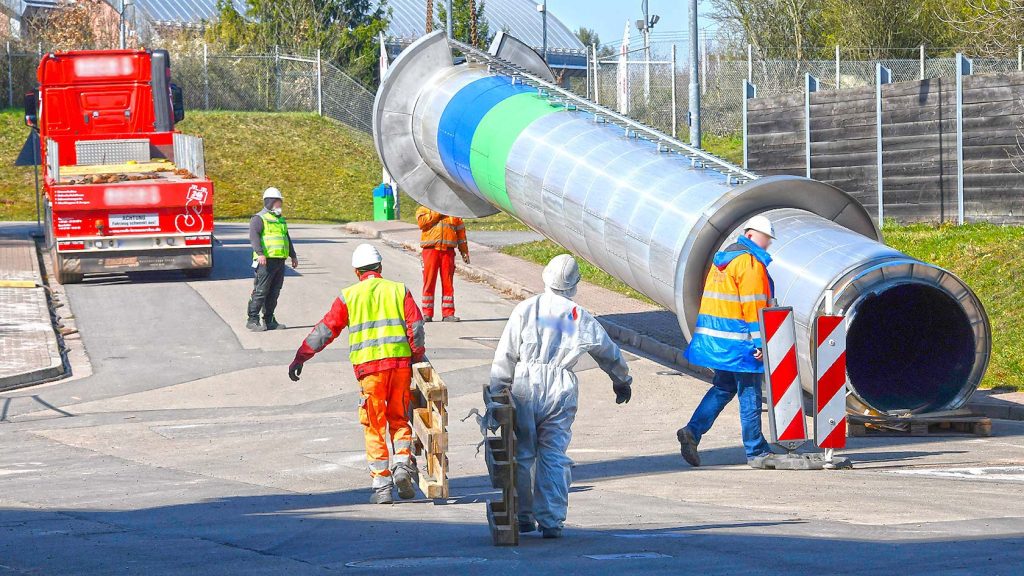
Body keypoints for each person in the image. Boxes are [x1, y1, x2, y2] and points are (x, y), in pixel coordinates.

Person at [488, 254, 632, 539]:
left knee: (523, 452)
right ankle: (551, 520)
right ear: (575, 284)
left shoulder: (526, 309)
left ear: (545, 277)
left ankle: (523, 515)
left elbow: (505, 354)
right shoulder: (578, 315)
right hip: (560, 388)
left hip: (525, 384)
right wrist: (621, 380)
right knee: (553, 453)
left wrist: (497, 392)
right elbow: (607, 350)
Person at [287, 244, 426, 504]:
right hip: (399, 367)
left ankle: (382, 486)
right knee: (399, 418)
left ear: (356, 271)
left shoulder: (349, 296)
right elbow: (416, 327)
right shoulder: (399, 290)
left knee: (374, 425)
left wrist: (302, 355)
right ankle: (402, 466)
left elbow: (326, 329)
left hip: (369, 373)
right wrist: (416, 356)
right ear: (380, 267)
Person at [677, 215, 777, 469]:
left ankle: (692, 431)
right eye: (766, 238)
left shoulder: (724, 260)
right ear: (751, 235)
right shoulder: (749, 263)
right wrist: (760, 343)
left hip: (721, 342)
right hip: (741, 343)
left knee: (723, 387)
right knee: (750, 395)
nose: (768, 244)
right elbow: (754, 306)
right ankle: (756, 451)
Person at [247, 187, 298, 331]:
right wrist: (260, 253)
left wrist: (293, 255)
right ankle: (252, 319)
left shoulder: (280, 220)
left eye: (280, 202)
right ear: (270, 202)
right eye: (278, 202)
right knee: (261, 291)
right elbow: (254, 237)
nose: (280, 205)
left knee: (274, 291)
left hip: (279, 261)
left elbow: (286, 238)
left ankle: (269, 320)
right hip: (265, 261)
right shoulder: (259, 218)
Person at [415, 205, 469, 322]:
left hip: (448, 252)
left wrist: (464, 251)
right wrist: (438, 212)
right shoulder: (424, 209)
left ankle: (448, 313)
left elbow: (461, 233)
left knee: (448, 282)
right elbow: (421, 223)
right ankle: (427, 313)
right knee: (429, 281)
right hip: (430, 250)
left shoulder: (454, 212)